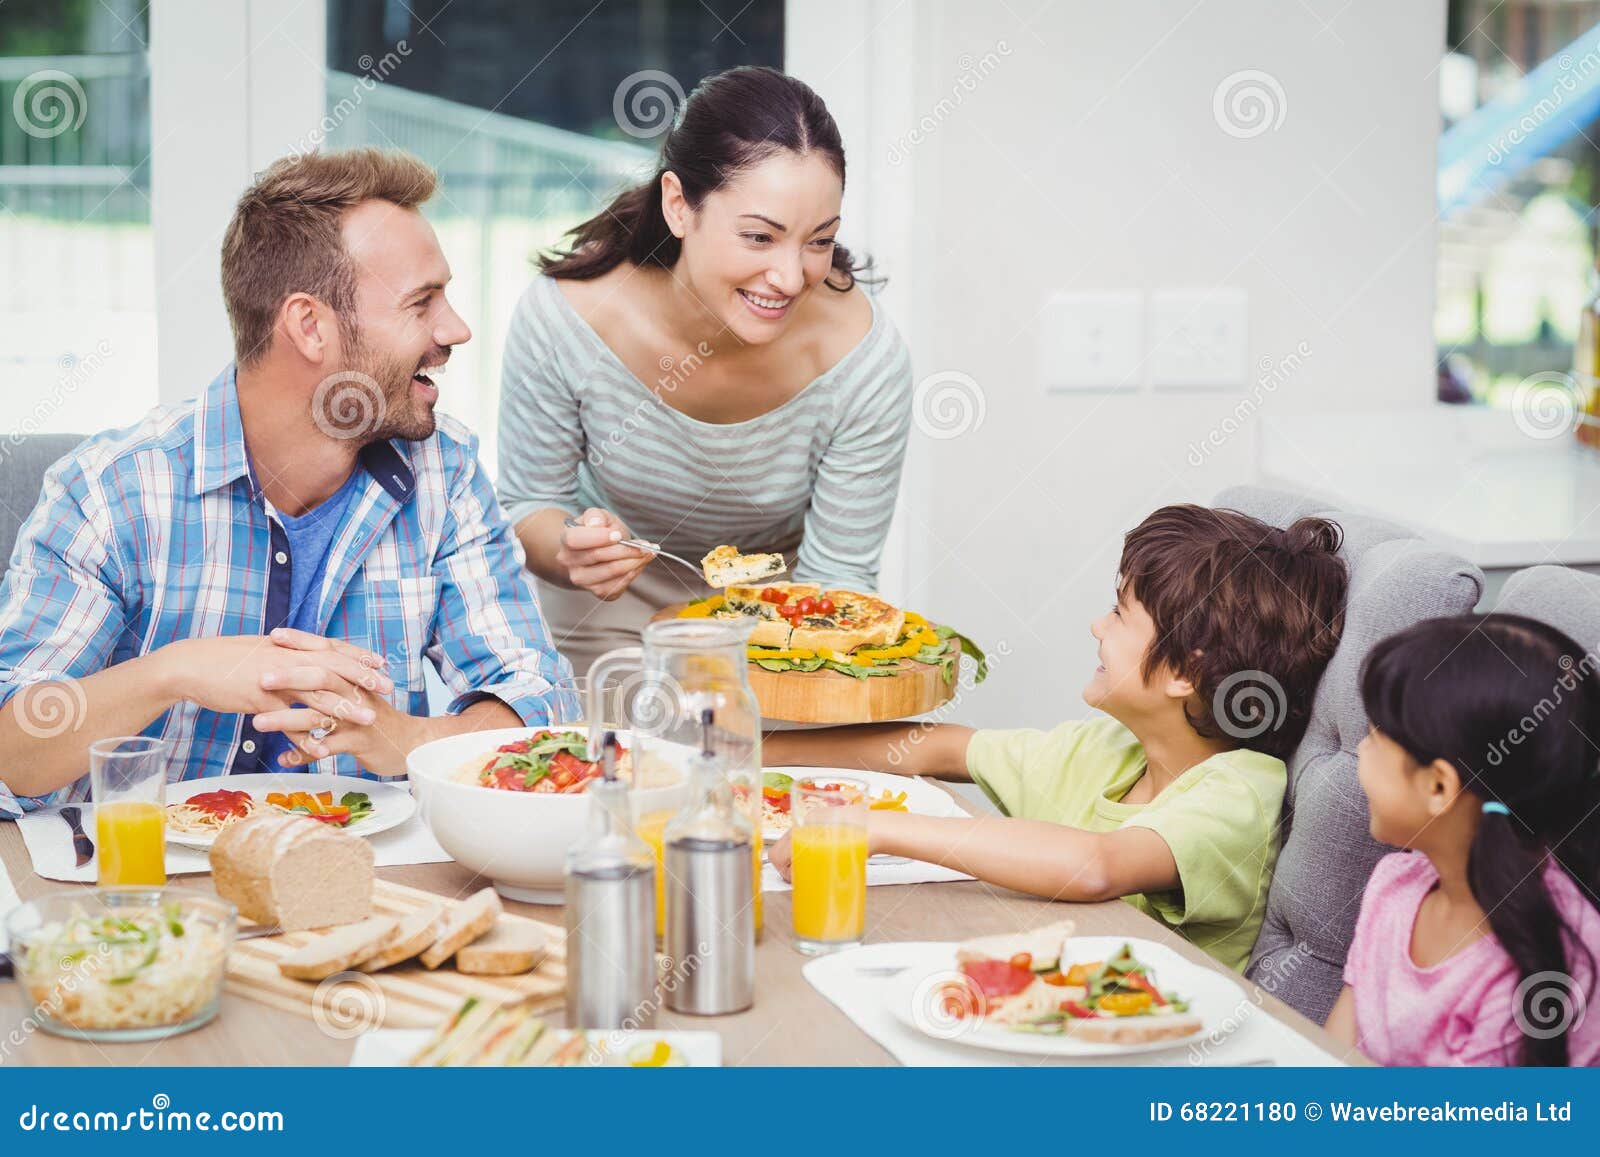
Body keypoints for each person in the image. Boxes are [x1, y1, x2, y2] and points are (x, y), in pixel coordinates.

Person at [0, 147, 575, 817]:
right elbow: (13, 745)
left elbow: (541, 706)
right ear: (310, 326)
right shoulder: (111, 493)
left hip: (366, 885)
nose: (456, 329)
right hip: (148, 895)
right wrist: (176, 671)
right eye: (422, 303)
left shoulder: (445, 477)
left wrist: (410, 740)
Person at [766, 505, 1349, 972]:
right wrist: (751, 756)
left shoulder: (1238, 791)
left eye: (1119, 614)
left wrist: (875, 827)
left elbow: (1095, 865)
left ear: (1184, 673)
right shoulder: (1107, 754)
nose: (1098, 626)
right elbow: (939, 746)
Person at [498, 66, 912, 674]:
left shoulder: (863, 363)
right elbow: (530, 502)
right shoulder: (569, 320)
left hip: (781, 628)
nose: (791, 277)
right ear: (678, 206)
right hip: (601, 621)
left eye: (818, 241)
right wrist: (572, 550)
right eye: (759, 238)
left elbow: (838, 580)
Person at [1326, 614, 1600, 1065]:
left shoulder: (1549, 965)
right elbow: (1330, 1056)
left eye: (1375, 736)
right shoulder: (1395, 883)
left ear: (1438, 787)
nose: (1360, 749)